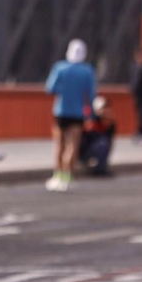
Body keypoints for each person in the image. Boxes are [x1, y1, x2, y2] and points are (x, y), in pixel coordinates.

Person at [43, 39, 96, 192]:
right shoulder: (87, 71)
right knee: (73, 145)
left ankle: (57, 175)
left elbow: (50, 88)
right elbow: (91, 95)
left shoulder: (60, 68)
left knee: (59, 144)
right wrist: (91, 115)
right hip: (77, 112)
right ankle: (68, 175)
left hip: (61, 110)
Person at [79, 96, 116, 176]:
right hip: (84, 152)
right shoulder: (90, 121)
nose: (105, 111)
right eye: (102, 108)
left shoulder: (108, 123)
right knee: (103, 143)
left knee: (105, 143)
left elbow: (109, 139)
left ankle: (102, 167)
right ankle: (98, 169)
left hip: (98, 149)